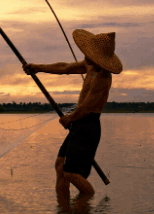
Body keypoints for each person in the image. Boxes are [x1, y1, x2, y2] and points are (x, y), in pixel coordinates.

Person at [23, 29, 123, 198]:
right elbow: (65, 67)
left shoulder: (102, 79)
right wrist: (38, 68)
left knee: (71, 174)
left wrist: (70, 118)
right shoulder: (90, 66)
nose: (85, 54)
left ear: (98, 57)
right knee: (60, 165)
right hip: (80, 122)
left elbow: (87, 108)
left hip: (88, 125)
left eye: (89, 52)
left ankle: (88, 209)